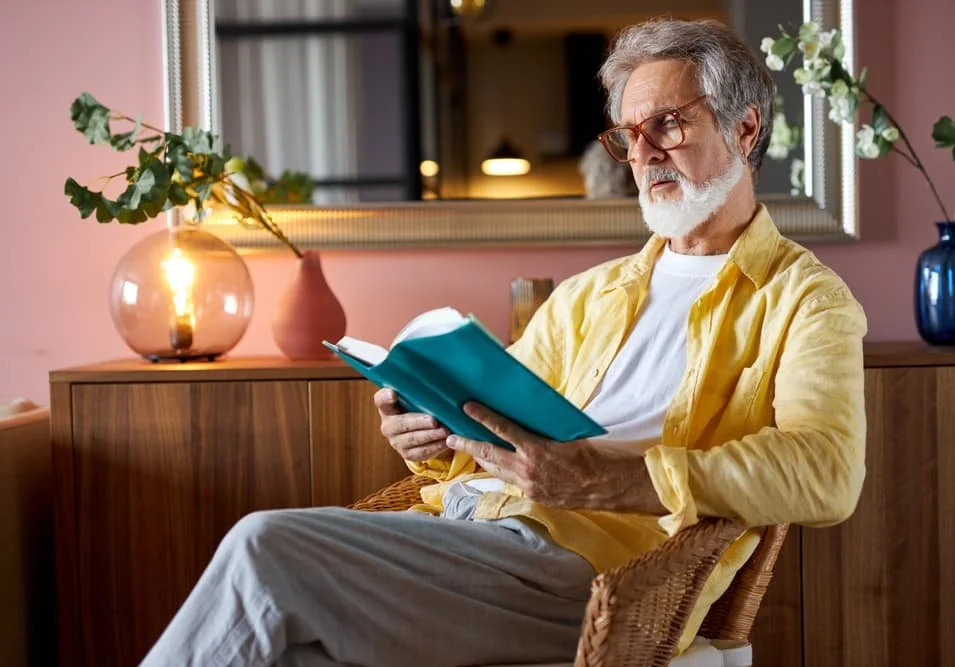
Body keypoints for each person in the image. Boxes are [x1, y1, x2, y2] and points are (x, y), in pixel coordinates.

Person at [141, 16, 867, 667]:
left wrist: (608, 477)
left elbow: (827, 469)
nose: (642, 153)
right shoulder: (592, 295)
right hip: (471, 525)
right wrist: (428, 427)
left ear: (745, 129)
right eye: (628, 134)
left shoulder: (805, 299)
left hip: (585, 573)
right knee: (292, 649)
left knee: (264, 548)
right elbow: (496, 419)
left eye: (668, 125)